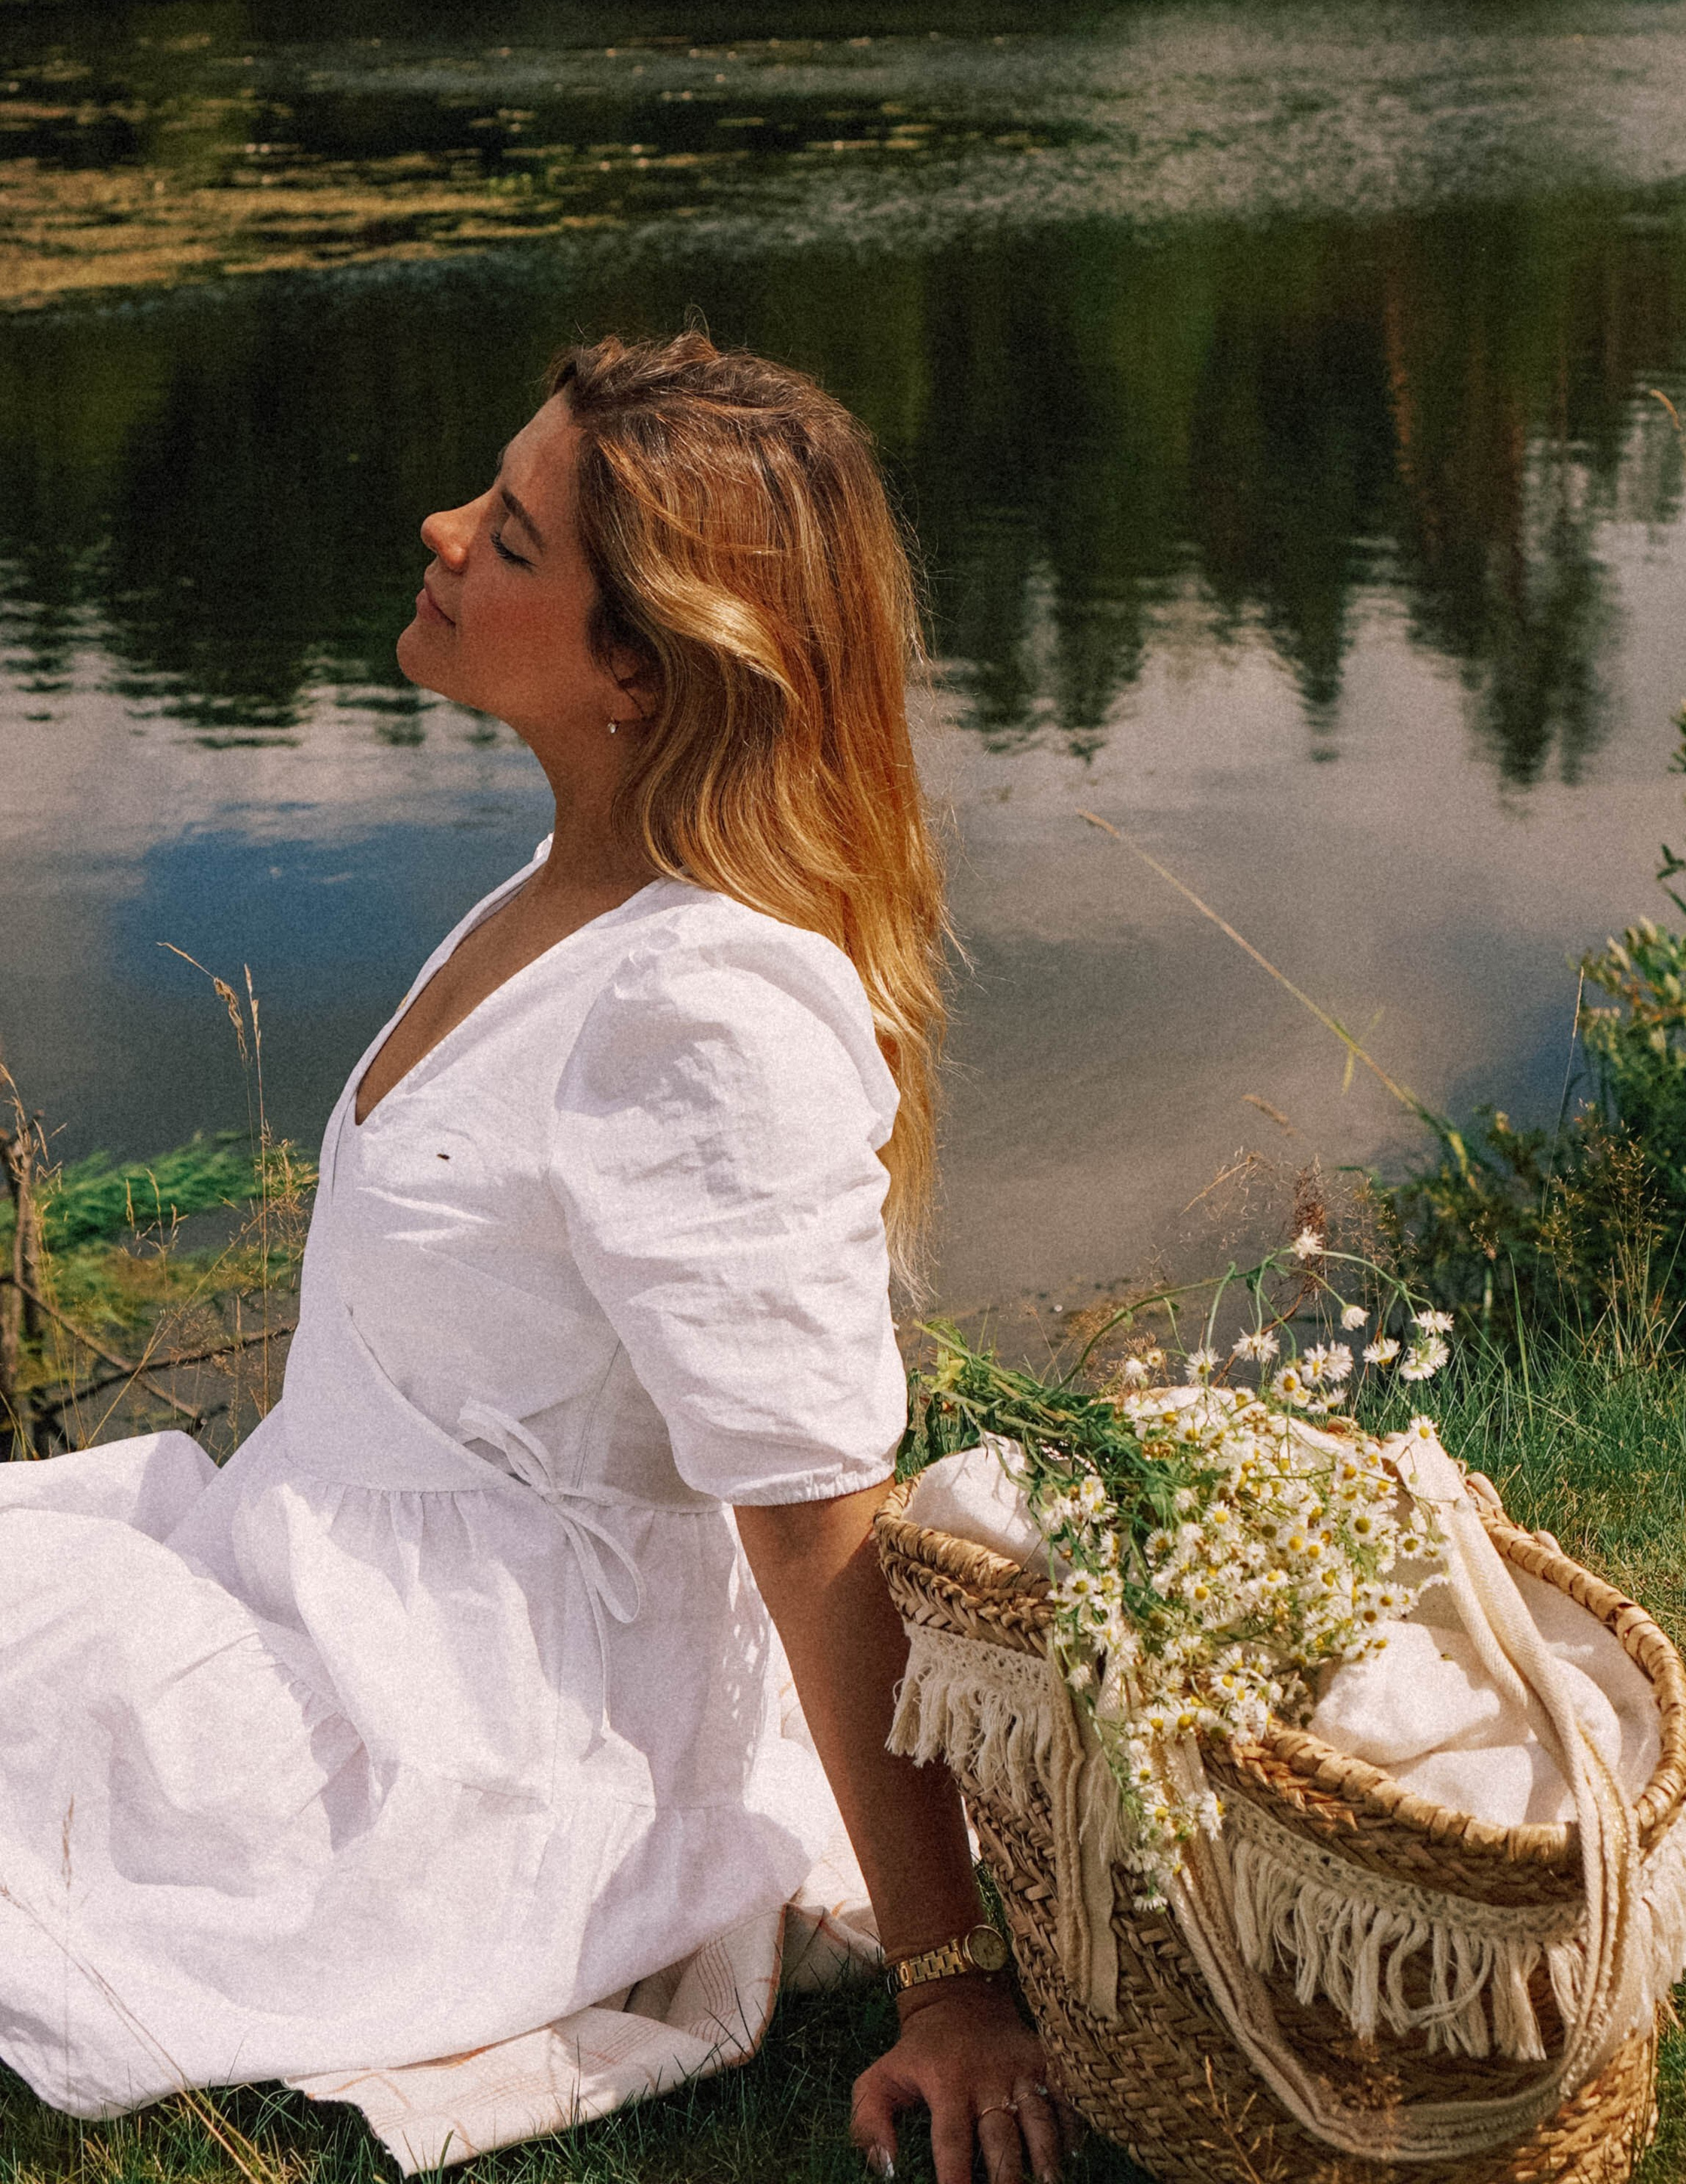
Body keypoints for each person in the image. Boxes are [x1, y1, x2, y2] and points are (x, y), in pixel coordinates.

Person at [0, 332, 1068, 2184]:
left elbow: (817, 1517)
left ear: (640, 674)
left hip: (440, 1735)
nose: (438, 529)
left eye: (505, 536)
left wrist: (948, 1980)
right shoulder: (569, 888)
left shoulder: (702, 1010)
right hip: (300, 1573)